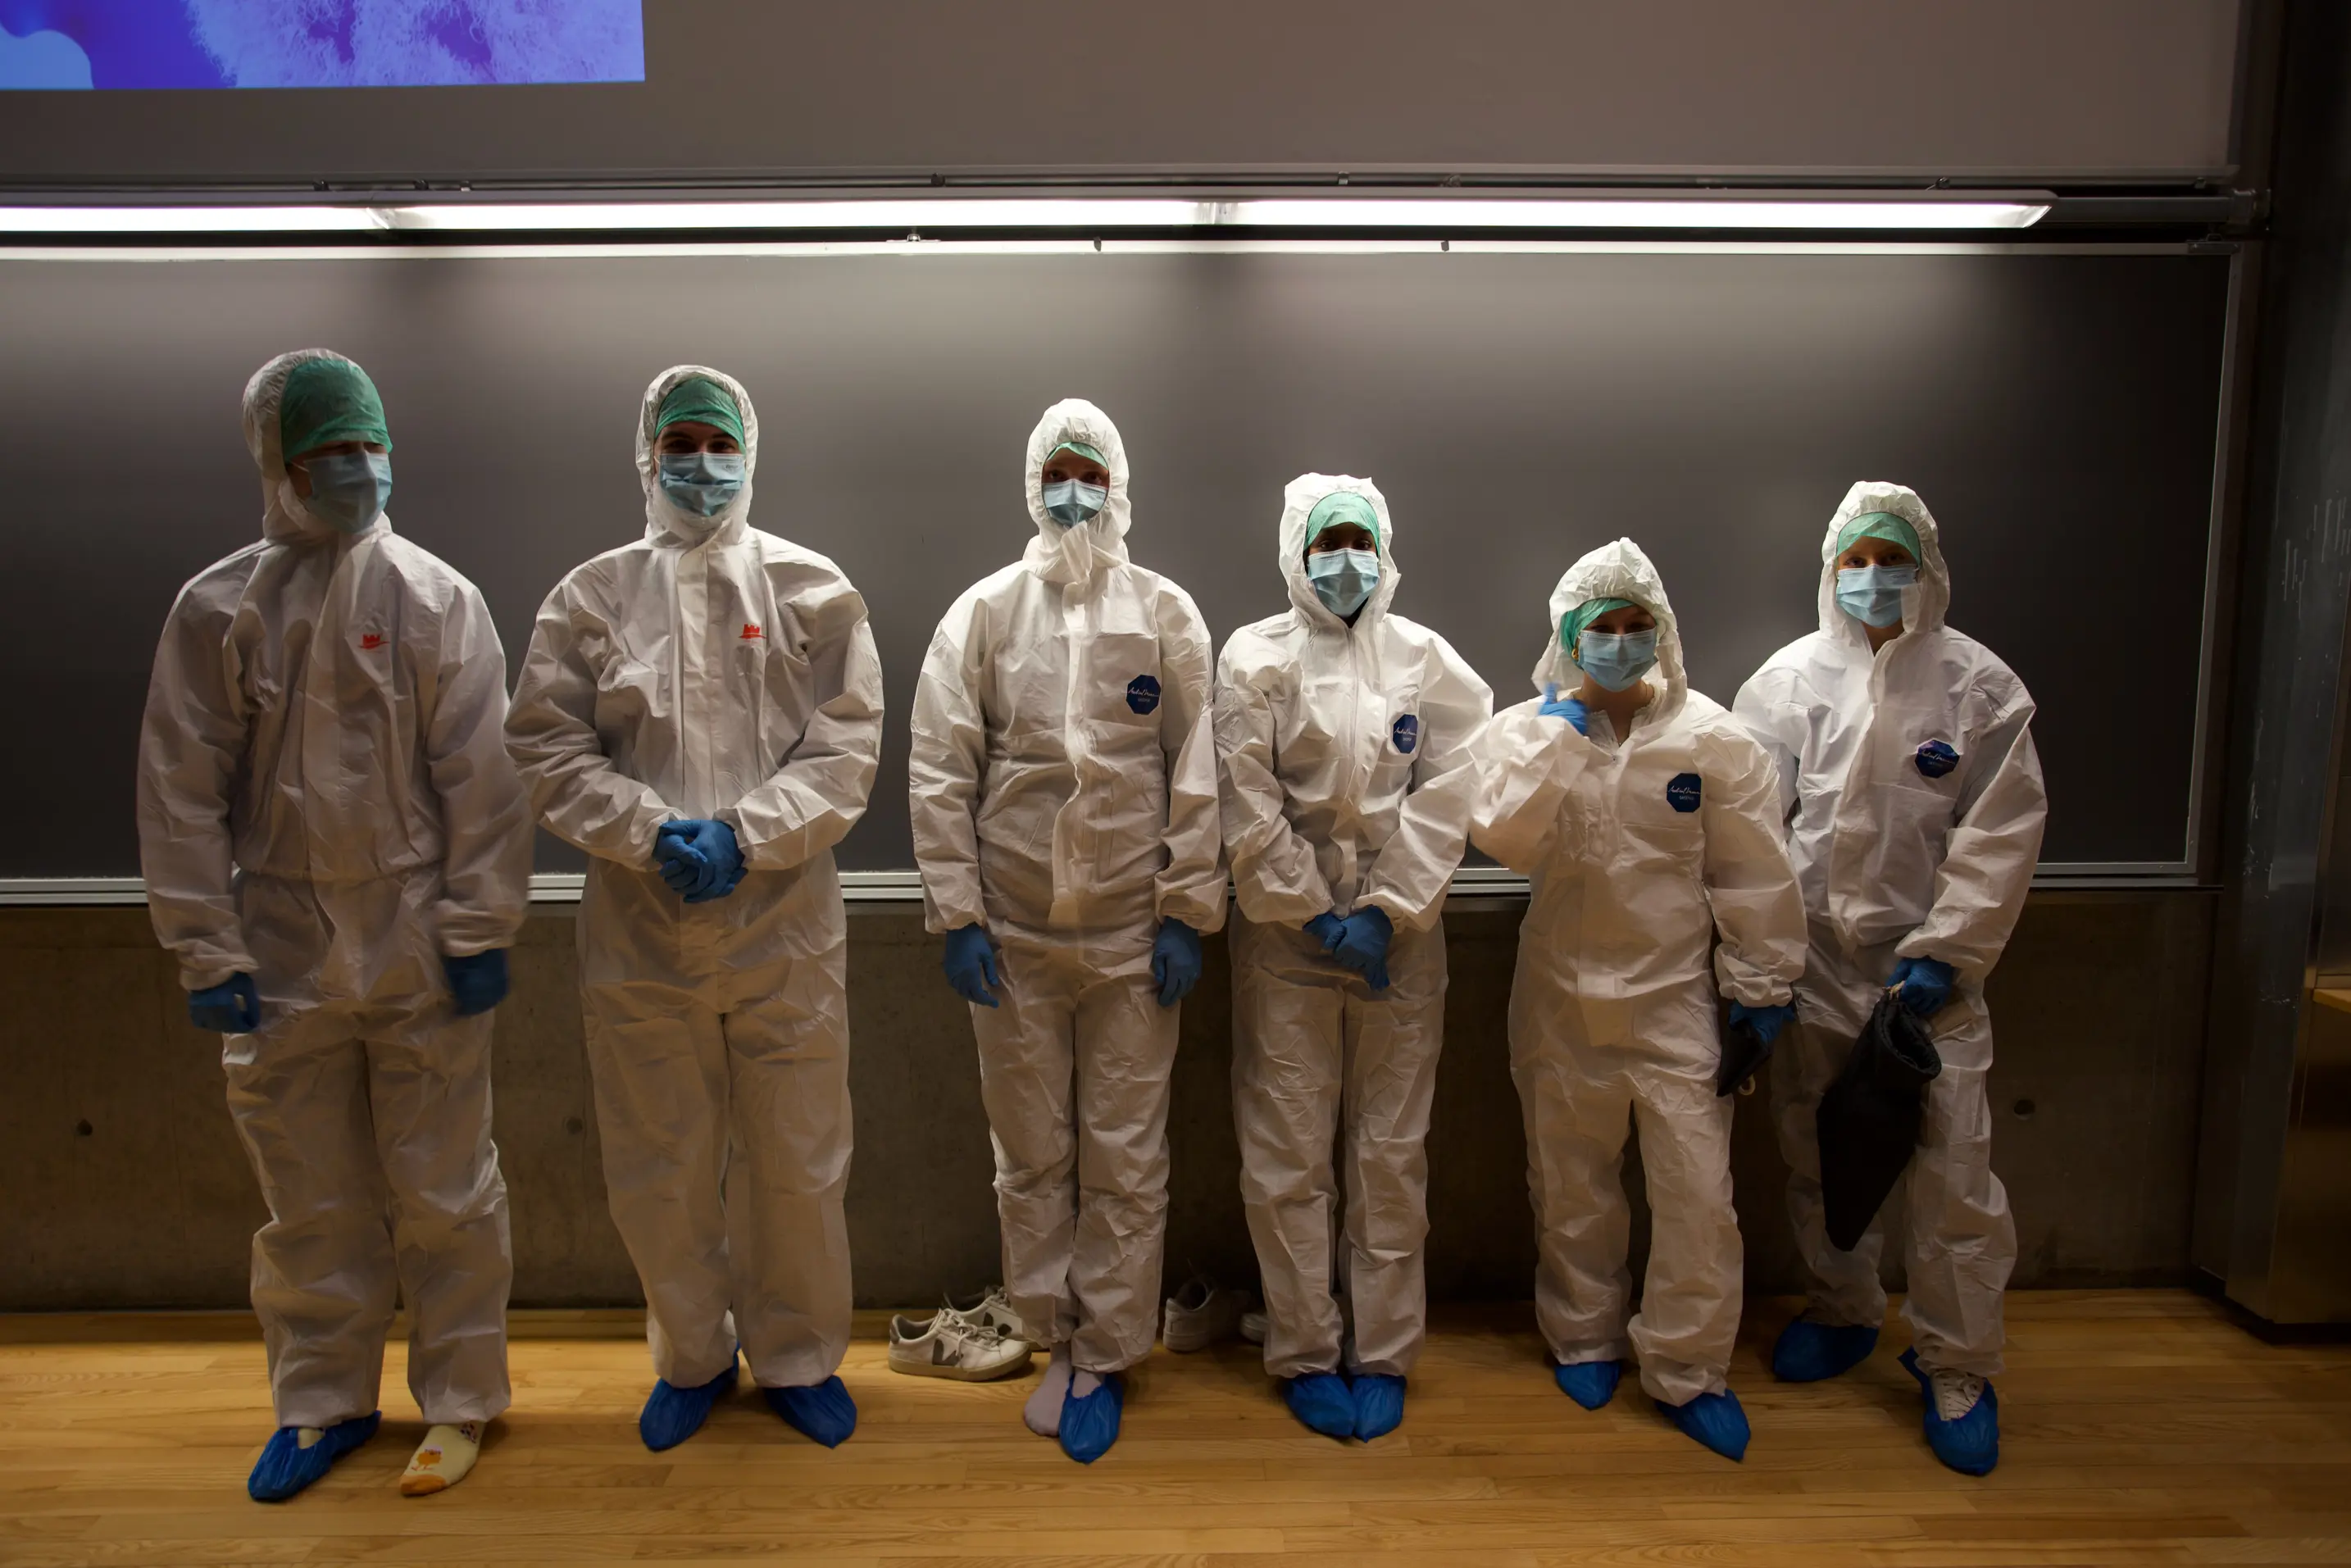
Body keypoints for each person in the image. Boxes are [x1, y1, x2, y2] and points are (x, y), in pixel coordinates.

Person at [138, 349, 530, 1502]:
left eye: (370, 448)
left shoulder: (437, 599)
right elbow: (179, 788)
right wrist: (203, 946)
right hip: (281, 949)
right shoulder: (219, 609)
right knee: (310, 1198)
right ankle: (322, 1402)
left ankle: (460, 1400)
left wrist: (478, 925)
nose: (357, 470)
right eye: (329, 454)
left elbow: (483, 781)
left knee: (448, 1189)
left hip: (415, 938)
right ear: (278, 464)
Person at [505, 366, 884, 1454]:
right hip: (641, 924)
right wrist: (646, 829)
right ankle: (692, 1354)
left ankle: (801, 1355)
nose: (703, 462)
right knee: (658, 1159)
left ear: (750, 454)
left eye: (721, 441)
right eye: (683, 440)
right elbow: (544, 742)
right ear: (649, 452)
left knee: (799, 1156)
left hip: (784, 924)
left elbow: (849, 742)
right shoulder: (592, 597)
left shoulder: (813, 589)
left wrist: (747, 834)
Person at [908, 398, 1226, 1464]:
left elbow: (1197, 771)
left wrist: (1186, 910)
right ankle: (1054, 1335)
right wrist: (958, 913)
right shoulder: (986, 615)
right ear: (1034, 481)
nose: (1075, 491)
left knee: (1128, 1154)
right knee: (1031, 1152)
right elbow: (942, 767)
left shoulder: (1166, 613)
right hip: (1018, 935)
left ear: (1119, 484)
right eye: (1060, 471)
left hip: (1136, 936)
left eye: (1092, 472)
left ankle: (1112, 1352)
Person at [1733, 483, 2044, 1477]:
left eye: (1892, 555)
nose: (1874, 576)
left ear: (1928, 566)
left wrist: (1946, 951)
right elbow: (1752, 838)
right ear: (1830, 570)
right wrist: (1767, 963)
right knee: (1818, 1148)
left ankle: (1958, 1363)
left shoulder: (1979, 687)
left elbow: (2001, 834)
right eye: (1856, 558)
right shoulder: (1785, 683)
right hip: (1818, 960)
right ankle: (1845, 1306)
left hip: (1933, 976)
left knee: (1956, 1176)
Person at [1471, 538, 1805, 1462]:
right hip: (1559, 1001)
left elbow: (1754, 873)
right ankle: (1584, 1332)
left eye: (1635, 626)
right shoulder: (1522, 731)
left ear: (1662, 631)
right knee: (1571, 1182)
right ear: (1568, 638)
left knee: (1698, 1194)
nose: (1620, 643)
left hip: (1674, 1005)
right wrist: (1562, 729)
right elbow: (1501, 837)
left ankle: (1691, 1365)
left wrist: (1761, 984)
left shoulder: (1713, 737)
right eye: (1601, 629)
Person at [1212, 475, 1491, 1443]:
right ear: (1297, 549)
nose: (1344, 559)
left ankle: (1383, 1350)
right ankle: (1302, 1348)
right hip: (1285, 943)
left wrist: (1387, 907)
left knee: (1388, 1152)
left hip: (1400, 945)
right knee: (1288, 1150)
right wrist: (1311, 909)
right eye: (1326, 540)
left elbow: (1454, 786)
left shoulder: (1428, 660)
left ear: (1384, 547)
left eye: (1358, 539)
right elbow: (1244, 797)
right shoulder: (1254, 654)